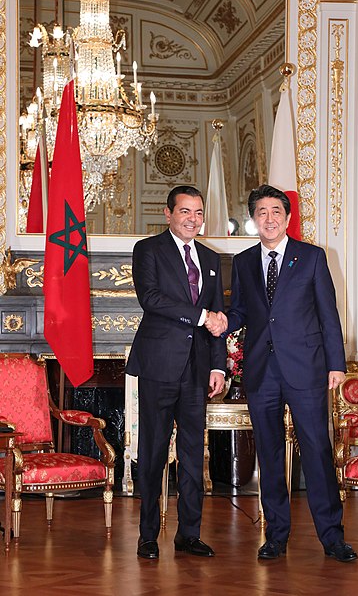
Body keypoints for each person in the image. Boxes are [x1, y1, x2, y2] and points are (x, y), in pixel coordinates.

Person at [212, 184, 357, 563]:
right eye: (261, 212)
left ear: (288, 218)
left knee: (317, 450)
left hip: (307, 369)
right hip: (261, 371)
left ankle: (332, 536)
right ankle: (275, 535)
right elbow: (243, 312)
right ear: (253, 219)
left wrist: (335, 364)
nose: (269, 218)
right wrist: (224, 320)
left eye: (276, 211)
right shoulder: (242, 262)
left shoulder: (311, 257)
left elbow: (328, 313)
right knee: (270, 455)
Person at [126, 185, 227, 560]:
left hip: (197, 370)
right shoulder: (148, 250)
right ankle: (148, 535)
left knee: (191, 453)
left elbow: (217, 318)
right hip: (158, 364)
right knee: (152, 452)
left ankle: (188, 533)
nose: (192, 219)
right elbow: (149, 298)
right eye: (185, 211)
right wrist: (201, 316)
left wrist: (218, 364)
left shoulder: (212, 259)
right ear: (168, 214)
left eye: (198, 212)